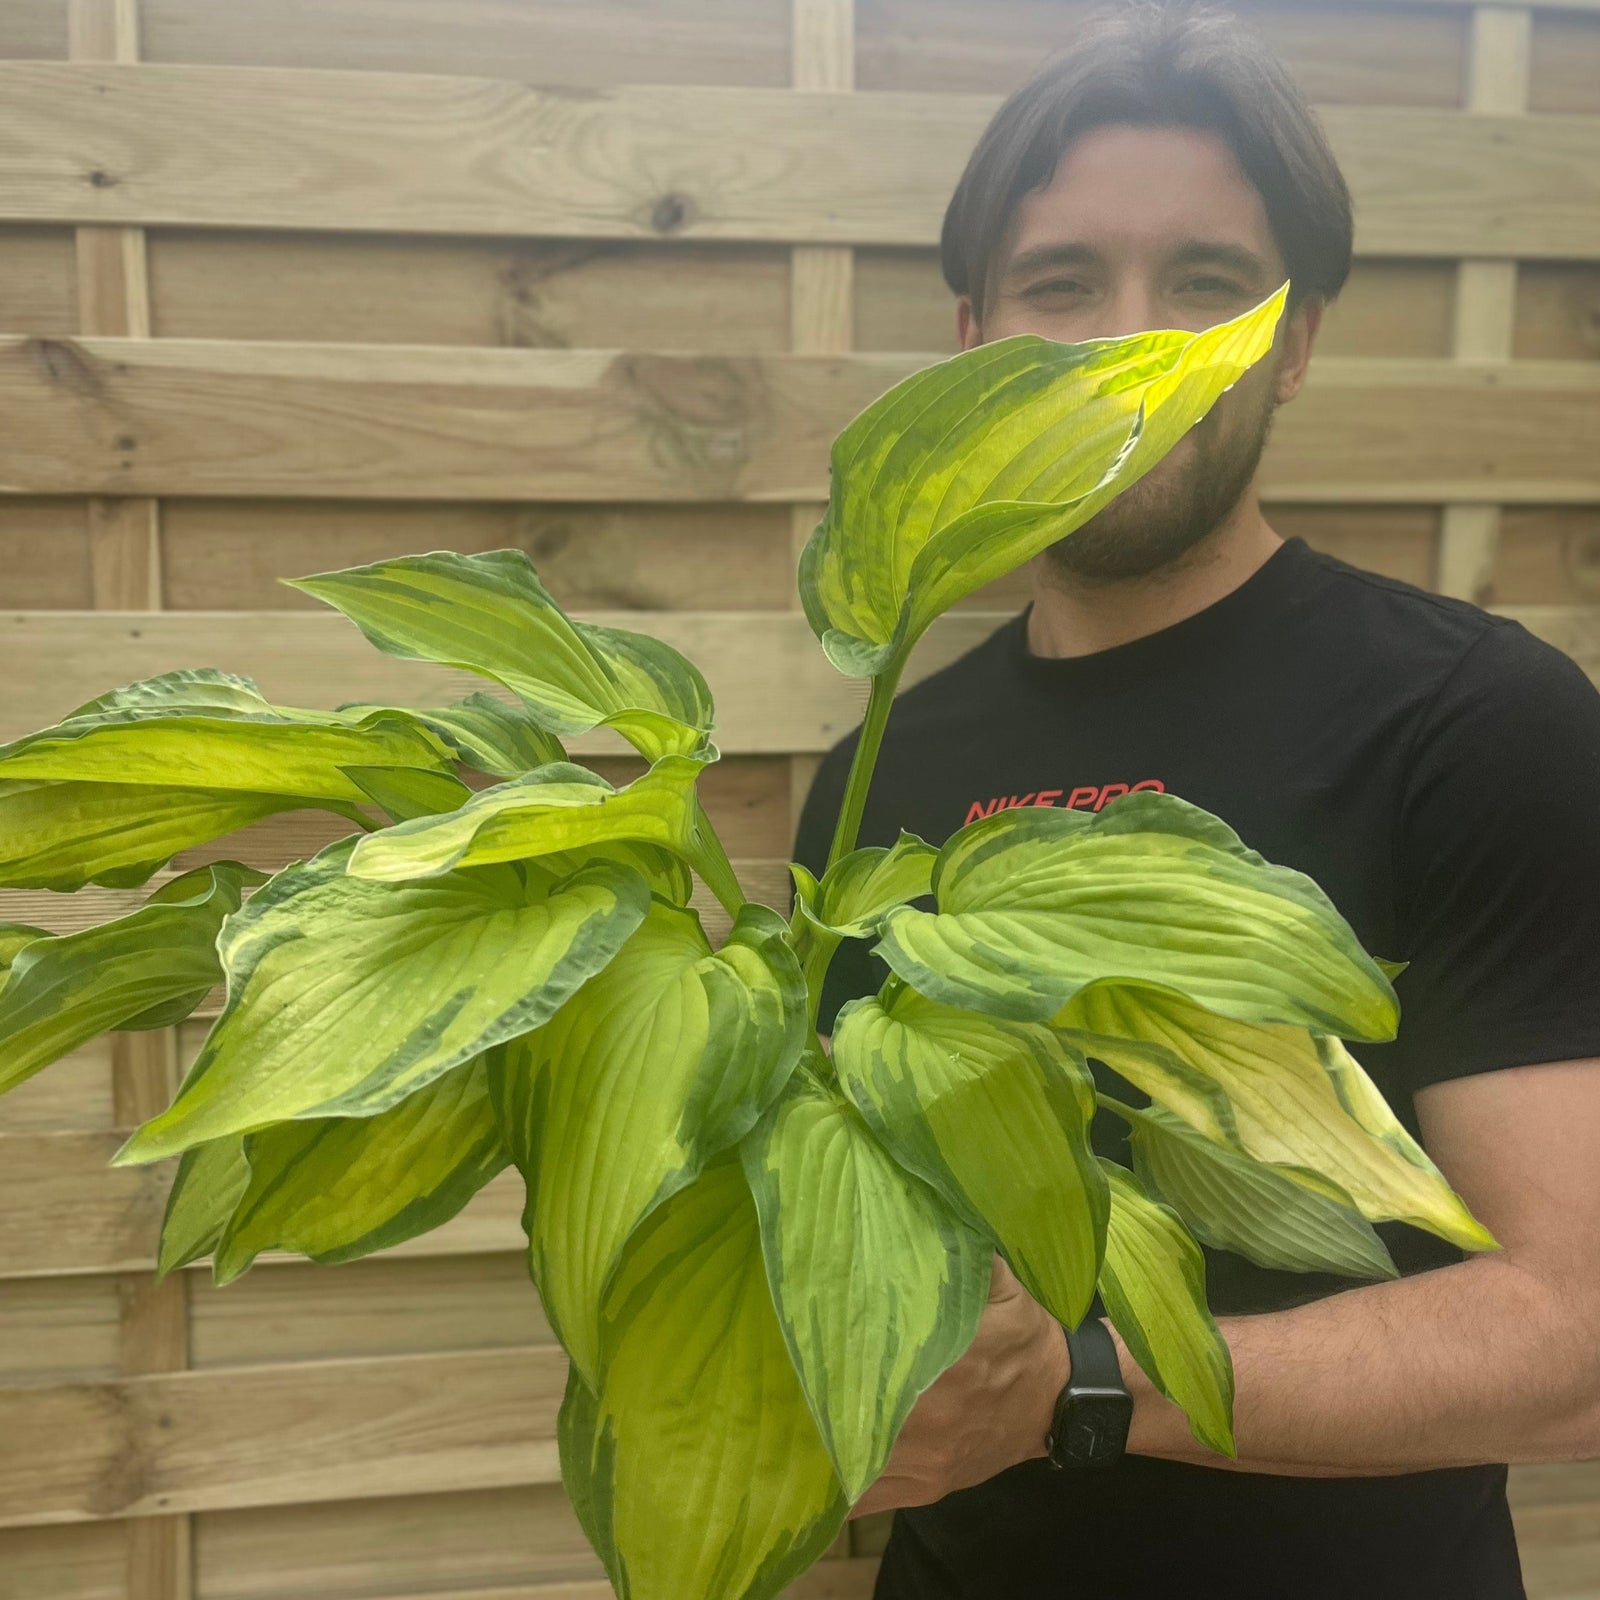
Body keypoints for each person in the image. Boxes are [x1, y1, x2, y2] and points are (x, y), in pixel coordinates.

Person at [789, 4, 1600, 1596]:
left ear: (1292, 344)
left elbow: (1576, 1334)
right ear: (974, 341)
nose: (1133, 345)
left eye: (1207, 284)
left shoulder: (1478, 721)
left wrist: (1082, 1386)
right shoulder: (879, 768)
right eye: (1063, 285)